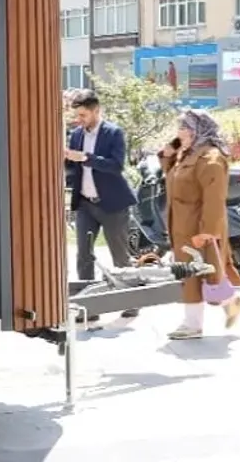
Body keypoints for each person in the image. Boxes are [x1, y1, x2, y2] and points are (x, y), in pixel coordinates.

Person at [162, 109, 240, 340]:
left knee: (197, 274)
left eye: (184, 128)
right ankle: (231, 303)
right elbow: (170, 175)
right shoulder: (187, 153)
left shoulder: (211, 158)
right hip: (182, 223)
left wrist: (208, 231)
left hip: (199, 226)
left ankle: (193, 324)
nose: (179, 133)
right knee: (201, 274)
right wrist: (169, 152)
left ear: (197, 130)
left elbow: (214, 199)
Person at [64, 88, 139, 318]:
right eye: (77, 115)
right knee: (83, 256)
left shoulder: (113, 133)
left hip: (113, 205)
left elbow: (116, 165)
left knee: (120, 256)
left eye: (83, 115)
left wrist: (87, 158)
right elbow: (73, 169)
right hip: (86, 204)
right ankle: (89, 306)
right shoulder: (76, 135)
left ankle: (130, 302)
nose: (79, 120)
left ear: (96, 110)